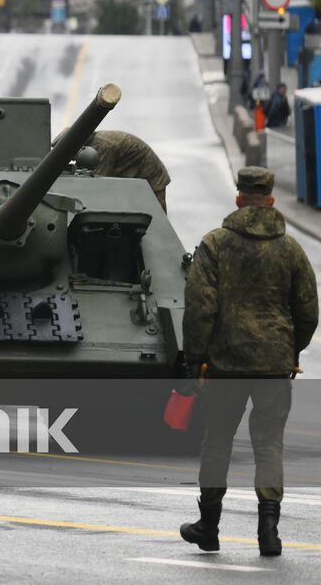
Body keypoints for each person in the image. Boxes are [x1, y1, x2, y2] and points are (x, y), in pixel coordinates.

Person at [180, 167, 317, 557]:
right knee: (270, 444)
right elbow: (308, 310)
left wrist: (196, 359)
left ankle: (208, 526)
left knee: (217, 441)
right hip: (274, 366)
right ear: (271, 200)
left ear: (239, 198)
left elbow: (200, 308)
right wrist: (290, 351)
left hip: (226, 364)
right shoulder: (290, 250)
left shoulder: (215, 244)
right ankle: (269, 532)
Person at [78, 129, 171, 212]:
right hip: (131, 179)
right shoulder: (93, 144)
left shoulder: (102, 146)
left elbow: (98, 183)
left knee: (156, 217)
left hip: (151, 177)